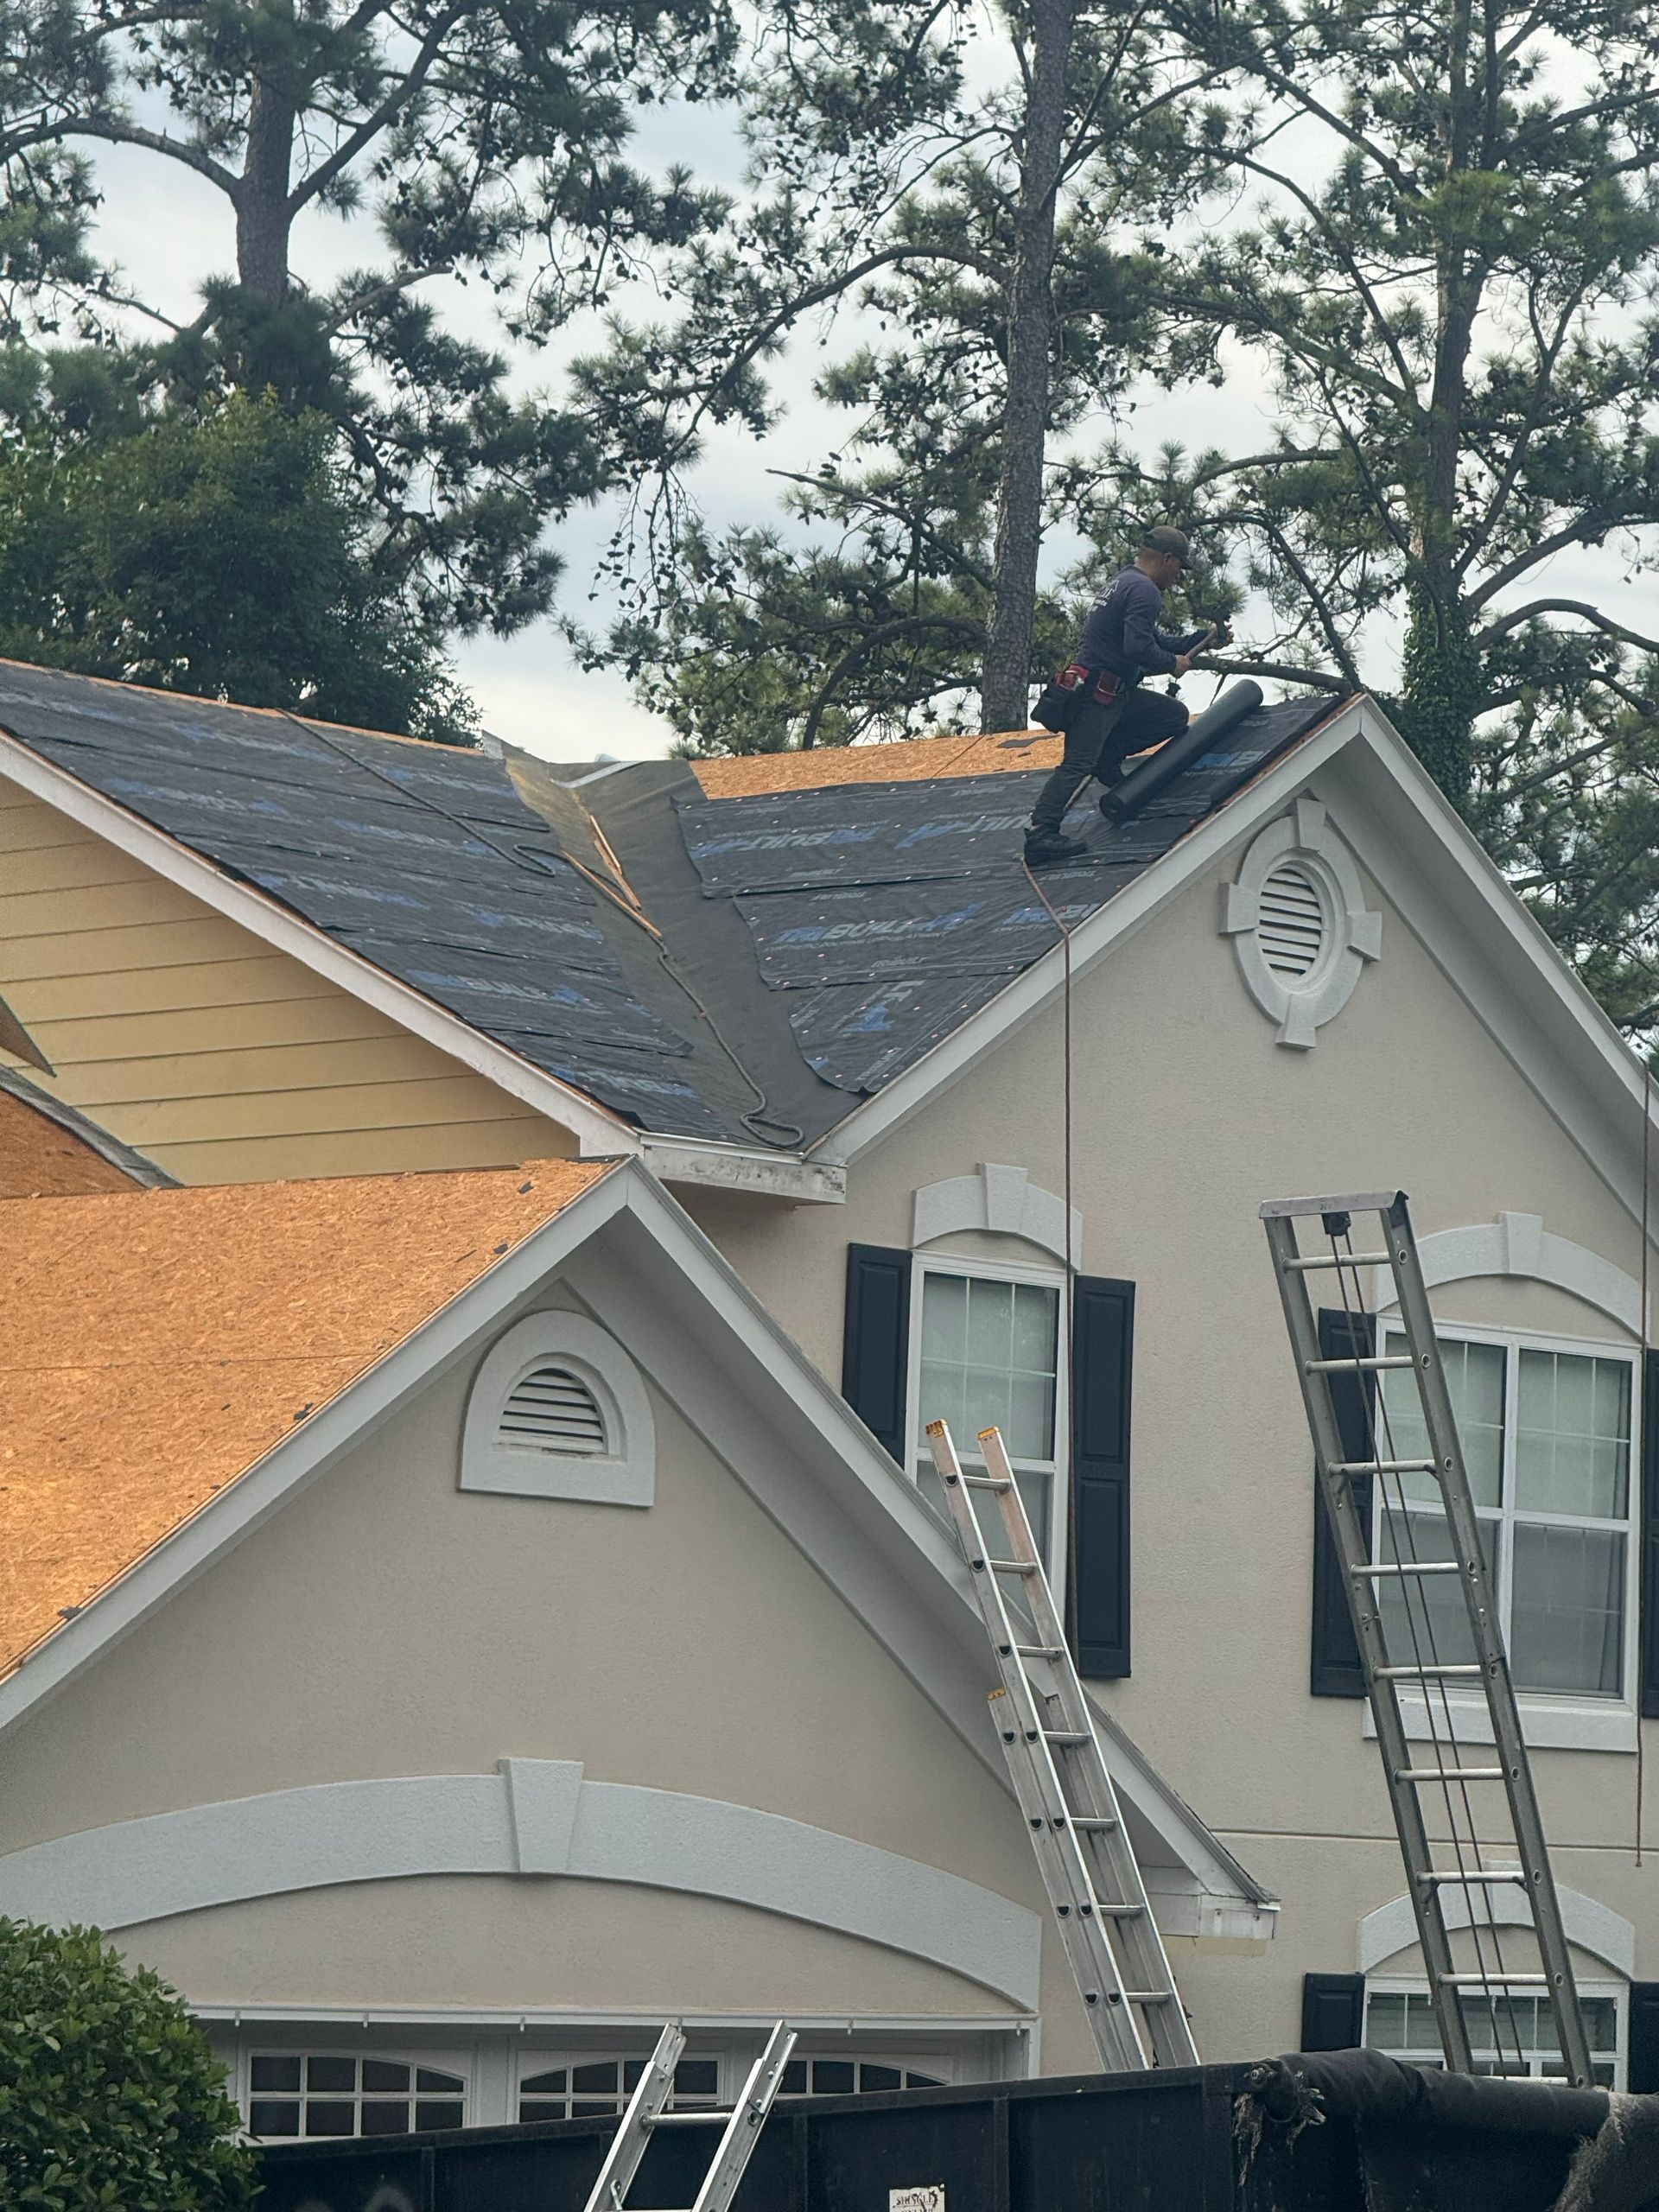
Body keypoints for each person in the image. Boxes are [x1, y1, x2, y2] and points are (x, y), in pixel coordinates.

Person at [1023, 525, 1217, 867]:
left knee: (1171, 716)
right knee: (1077, 764)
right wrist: (1171, 664)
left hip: (1107, 691)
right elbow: (1138, 647)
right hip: (1097, 696)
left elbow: (1153, 641)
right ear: (1167, 559)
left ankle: (1107, 756)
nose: (1178, 577)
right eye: (1178, 567)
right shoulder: (1145, 591)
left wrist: (1202, 639)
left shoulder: (1124, 582)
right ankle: (1041, 832)